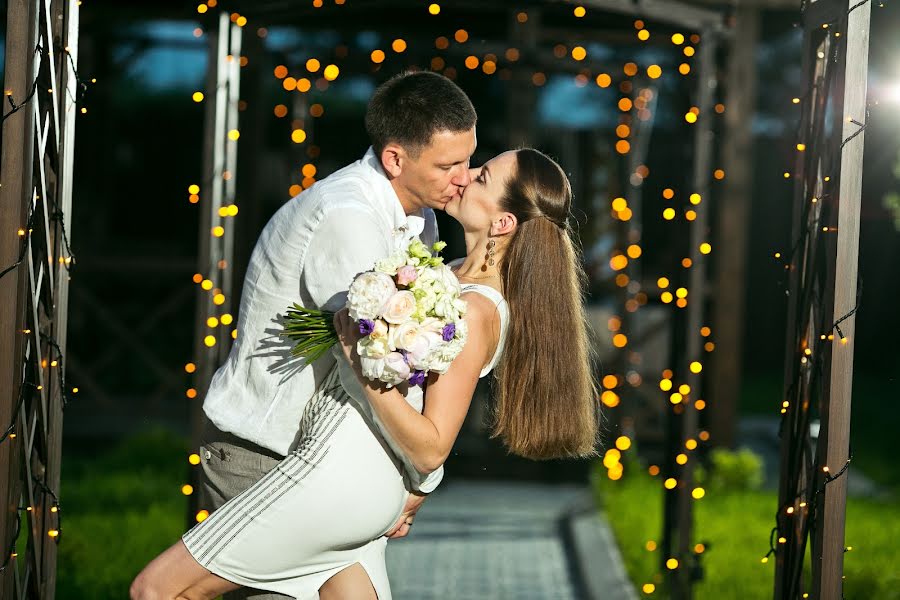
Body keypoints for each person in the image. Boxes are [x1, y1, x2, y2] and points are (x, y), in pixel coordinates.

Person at [131, 146, 599, 600]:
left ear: (502, 222)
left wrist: (361, 361)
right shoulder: (449, 273)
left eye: (481, 177)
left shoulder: (476, 311)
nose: (466, 174)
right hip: (354, 474)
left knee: (155, 589)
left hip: (335, 478)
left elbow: (433, 447)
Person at [130, 70, 476, 600]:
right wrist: (417, 474)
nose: (464, 177)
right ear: (394, 159)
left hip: (331, 462)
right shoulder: (347, 216)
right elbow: (375, 360)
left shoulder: (418, 218)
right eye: (448, 164)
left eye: (469, 159)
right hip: (269, 454)